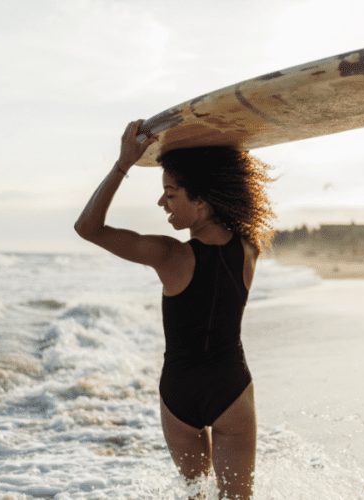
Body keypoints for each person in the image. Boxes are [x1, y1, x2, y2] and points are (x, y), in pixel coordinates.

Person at [75, 120, 276, 499]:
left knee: (196, 497)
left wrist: (122, 165)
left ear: (200, 199)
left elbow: (88, 227)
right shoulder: (250, 248)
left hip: (179, 394)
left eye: (170, 193)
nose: (161, 203)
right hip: (230, 388)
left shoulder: (171, 255)